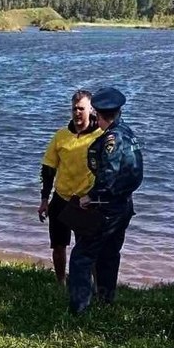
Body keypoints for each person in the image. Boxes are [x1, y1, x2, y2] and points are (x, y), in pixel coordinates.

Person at [68, 87, 143, 314]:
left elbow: (108, 177)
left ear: (98, 115)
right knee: (110, 254)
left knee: (81, 256)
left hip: (107, 208)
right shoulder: (128, 133)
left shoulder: (111, 138)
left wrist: (90, 198)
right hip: (124, 206)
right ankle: (106, 300)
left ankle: (79, 310)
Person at [39, 90, 103, 284]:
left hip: (86, 200)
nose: (77, 113)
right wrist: (44, 200)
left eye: (81, 109)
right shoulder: (61, 136)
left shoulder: (101, 136)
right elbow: (48, 168)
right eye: (74, 109)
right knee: (58, 247)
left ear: (91, 109)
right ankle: (60, 282)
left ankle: (96, 286)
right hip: (62, 198)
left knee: (89, 247)